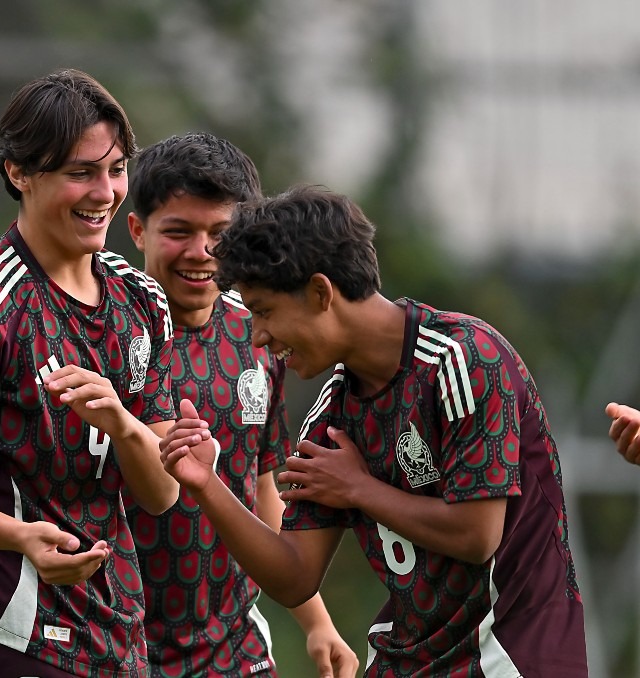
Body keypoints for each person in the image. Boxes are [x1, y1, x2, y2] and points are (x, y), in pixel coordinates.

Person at [160, 185, 588, 676]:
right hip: (406, 660)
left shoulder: (464, 360)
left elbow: (477, 535)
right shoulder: (333, 412)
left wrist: (358, 488)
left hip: (509, 657)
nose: (256, 334)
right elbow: (296, 575)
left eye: (264, 311)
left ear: (321, 293)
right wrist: (205, 484)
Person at [0, 68, 179, 678]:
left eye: (117, 168)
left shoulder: (142, 300)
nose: (105, 191)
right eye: (80, 173)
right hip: (1, 631)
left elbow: (162, 492)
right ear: (19, 173)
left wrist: (126, 427)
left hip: (113, 634)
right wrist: (19, 536)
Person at [125, 133, 358, 678]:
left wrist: (316, 622)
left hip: (232, 651)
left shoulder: (256, 332)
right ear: (138, 230)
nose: (201, 252)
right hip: (116, 648)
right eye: (179, 232)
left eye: (219, 235)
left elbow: (261, 484)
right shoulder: (103, 329)